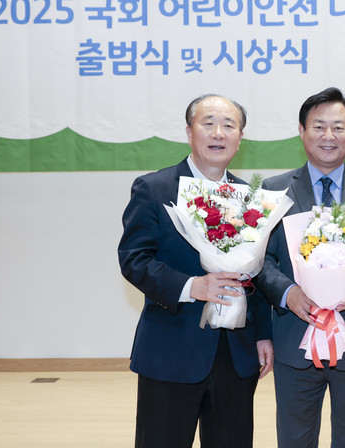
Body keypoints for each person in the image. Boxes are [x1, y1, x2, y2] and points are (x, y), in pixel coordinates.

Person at [118, 94, 273, 448]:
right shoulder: (154, 188)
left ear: (240, 138)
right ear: (189, 132)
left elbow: (259, 272)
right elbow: (134, 258)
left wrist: (263, 334)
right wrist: (192, 286)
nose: (218, 133)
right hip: (171, 350)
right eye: (208, 123)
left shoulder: (252, 197)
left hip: (236, 353)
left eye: (229, 125)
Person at [255, 87, 345, 448]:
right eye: (318, 126)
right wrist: (288, 293)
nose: (328, 136)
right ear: (301, 131)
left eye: (338, 127)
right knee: (295, 440)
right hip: (294, 339)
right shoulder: (274, 190)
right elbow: (261, 261)